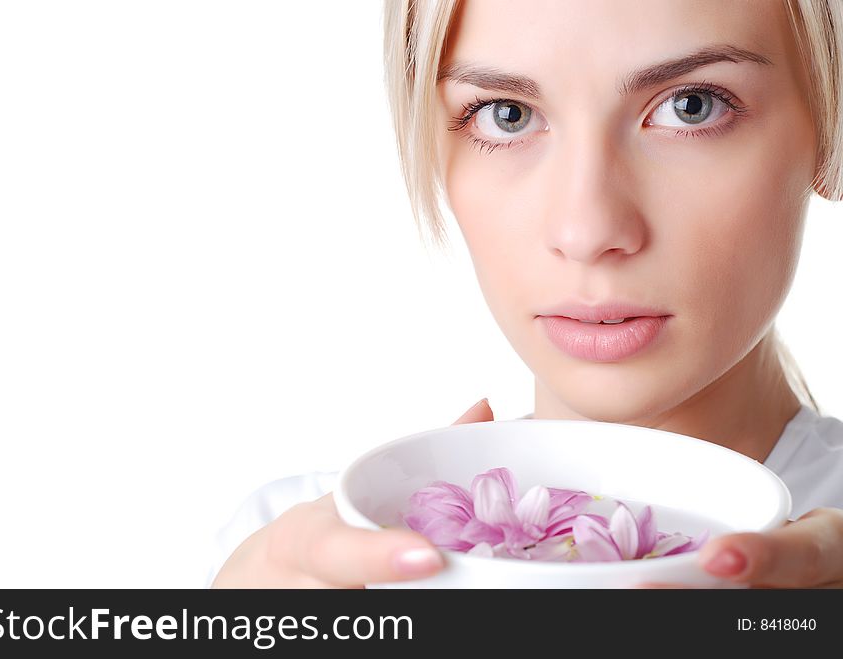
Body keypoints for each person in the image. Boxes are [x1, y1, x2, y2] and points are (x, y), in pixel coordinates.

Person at [209, 0, 843, 588]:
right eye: (505, 113)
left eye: (693, 105)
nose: (586, 230)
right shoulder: (293, 555)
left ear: (830, 123)